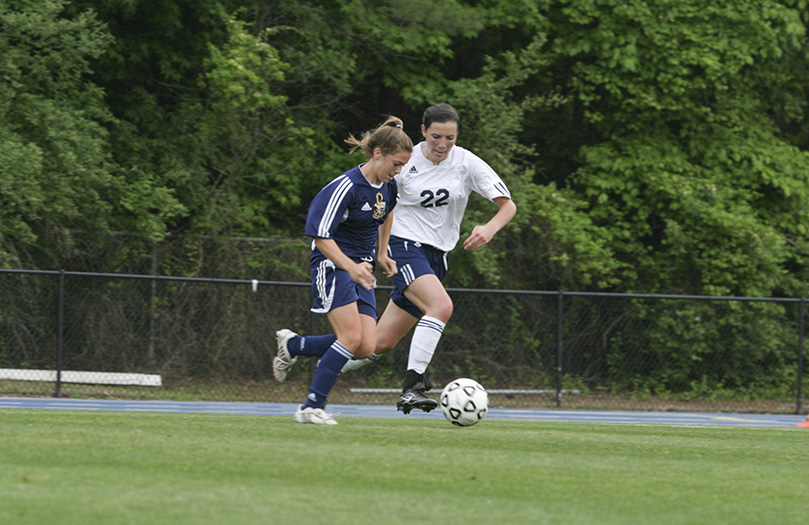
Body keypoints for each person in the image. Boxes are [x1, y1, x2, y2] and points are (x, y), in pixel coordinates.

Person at [274, 103, 516, 415]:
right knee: (441, 307)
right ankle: (411, 386)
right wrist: (382, 251)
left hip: (433, 256)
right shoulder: (400, 158)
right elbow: (355, 216)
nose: (442, 144)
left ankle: (295, 346)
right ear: (423, 132)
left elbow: (507, 205)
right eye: (436, 136)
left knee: (375, 344)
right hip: (403, 247)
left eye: (450, 138)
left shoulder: (466, 162)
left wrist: (490, 228)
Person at [277, 116, 412, 425]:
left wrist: (381, 253)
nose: (398, 171)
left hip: (360, 270)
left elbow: (387, 213)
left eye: (403, 166)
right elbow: (320, 237)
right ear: (378, 153)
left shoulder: (388, 187)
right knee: (350, 338)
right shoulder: (345, 187)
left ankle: (294, 345)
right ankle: (311, 407)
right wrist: (351, 267)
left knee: (366, 346)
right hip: (333, 265)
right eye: (396, 163)